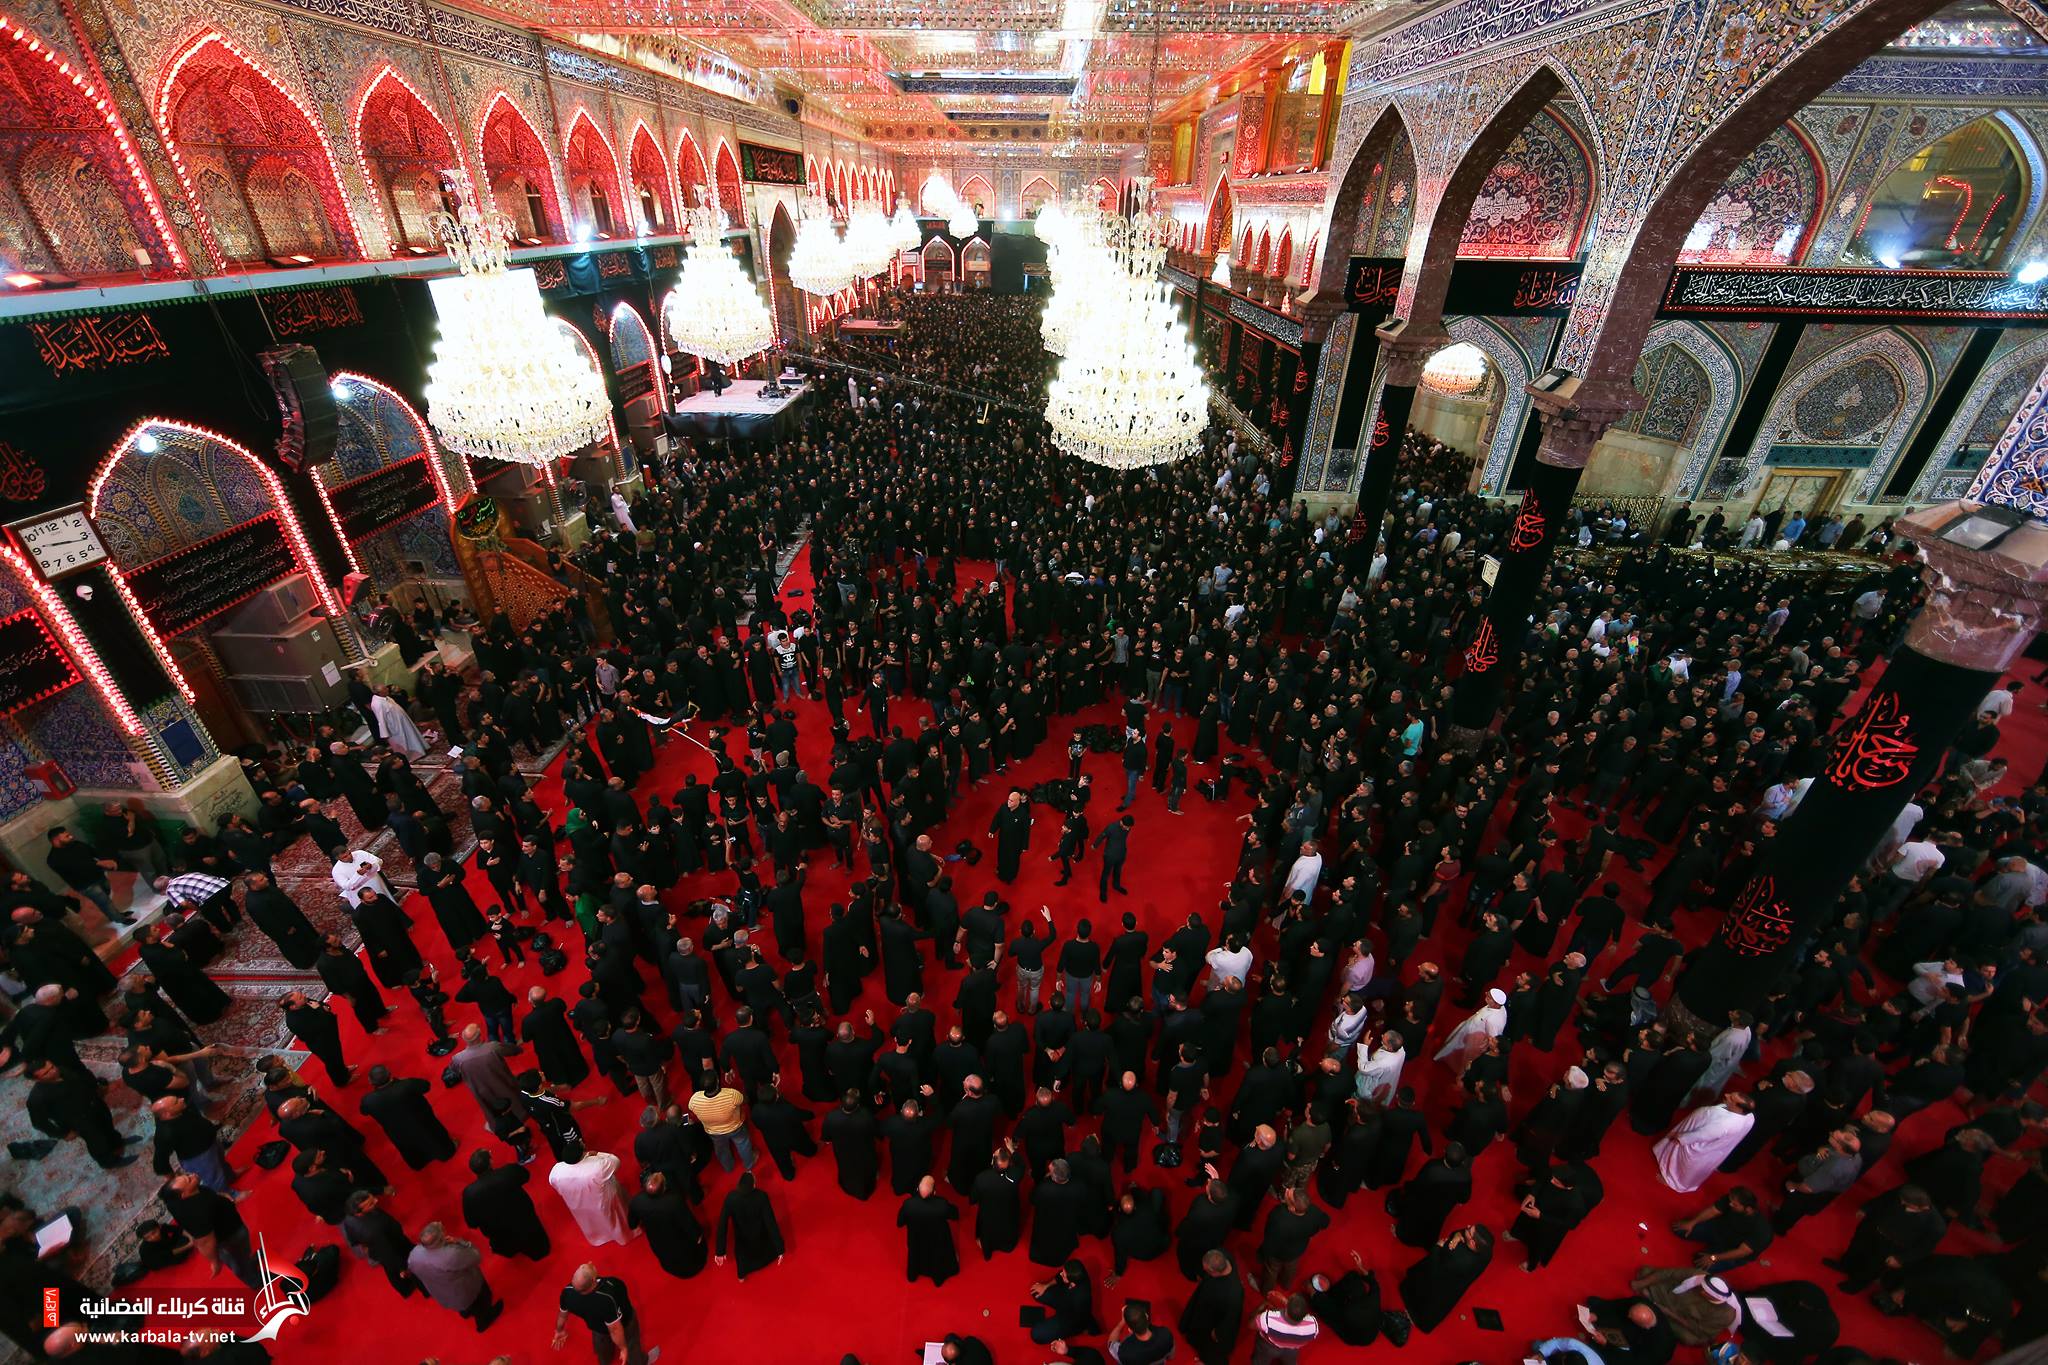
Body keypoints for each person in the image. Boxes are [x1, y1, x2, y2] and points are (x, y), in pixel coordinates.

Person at [406, 1222, 502, 1331]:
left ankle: (466, 1312)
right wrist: (459, 1241)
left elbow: (411, 1268)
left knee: (465, 1307)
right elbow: (476, 1256)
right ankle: (485, 1321)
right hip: (467, 1291)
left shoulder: (415, 1254)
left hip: (443, 1295)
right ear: (441, 1238)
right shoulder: (451, 1254)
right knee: (481, 1303)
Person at [553, 1262, 655, 1365]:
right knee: (631, 1345)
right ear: (593, 1280)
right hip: (625, 1324)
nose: (589, 1263)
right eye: (584, 1267)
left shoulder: (567, 1292)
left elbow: (562, 1315)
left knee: (602, 1352)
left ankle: (605, 1361)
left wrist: (559, 1330)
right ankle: (639, 1362)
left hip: (598, 1331)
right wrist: (623, 1348)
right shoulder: (611, 1291)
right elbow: (615, 1329)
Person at [1398, 1223, 1492, 1333]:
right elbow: (1460, 1233)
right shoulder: (1486, 1252)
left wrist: (1438, 1247)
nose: (1467, 1226)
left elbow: (1435, 1268)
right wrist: (1457, 1235)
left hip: (1438, 1282)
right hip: (1454, 1283)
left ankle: (1414, 1316)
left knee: (1426, 1297)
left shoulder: (1458, 1258)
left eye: (1469, 1229)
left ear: (1472, 1243)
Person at [1654, 1093, 1754, 1193]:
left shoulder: (1724, 1124)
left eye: (1731, 1098)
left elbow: (1701, 1135)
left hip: (1699, 1147)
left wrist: (1681, 1137)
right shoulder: (1750, 1117)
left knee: (1684, 1165)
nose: (1726, 1095)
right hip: (1716, 1150)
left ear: (1739, 1108)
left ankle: (1672, 1181)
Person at [463, 1149, 551, 1260]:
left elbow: (472, 1222)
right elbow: (526, 1176)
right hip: (523, 1220)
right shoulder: (508, 1172)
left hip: (499, 1233)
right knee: (538, 1248)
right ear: (490, 1162)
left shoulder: (469, 1193)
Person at [550, 1139, 634, 1246]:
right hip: (602, 1201)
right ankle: (621, 1236)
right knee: (612, 1219)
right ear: (582, 1154)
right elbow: (615, 1161)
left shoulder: (556, 1171)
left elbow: (556, 1187)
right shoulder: (597, 1166)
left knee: (590, 1221)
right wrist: (598, 1154)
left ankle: (599, 1237)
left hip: (577, 1204)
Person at [628, 1171, 707, 1278]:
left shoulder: (636, 1201)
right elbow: (688, 1222)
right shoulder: (674, 1202)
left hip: (657, 1241)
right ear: (664, 1188)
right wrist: (698, 1236)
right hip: (678, 1239)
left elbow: (632, 1224)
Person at [1179, 1249, 1246, 1364]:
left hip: (1211, 1318)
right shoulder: (1224, 1255)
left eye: (1206, 1271)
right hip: (1206, 1305)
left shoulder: (1233, 1294)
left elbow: (1231, 1318)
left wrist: (1219, 1332)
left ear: (1214, 1272)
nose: (1203, 1272)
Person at [714, 1171, 784, 1279]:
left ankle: (741, 1277)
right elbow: (771, 1223)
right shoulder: (761, 1196)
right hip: (760, 1235)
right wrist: (780, 1248)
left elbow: (722, 1225)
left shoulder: (731, 1198)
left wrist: (720, 1251)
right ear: (754, 1185)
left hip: (742, 1238)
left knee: (742, 1259)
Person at [898, 1174, 961, 1285]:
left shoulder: (908, 1204)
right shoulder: (942, 1204)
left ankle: (913, 1275)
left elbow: (900, 1223)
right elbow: (955, 1214)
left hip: (916, 1240)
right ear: (934, 1192)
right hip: (937, 1242)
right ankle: (937, 1279)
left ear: (917, 1189)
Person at [1251, 1295, 1319, 1364]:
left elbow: (1251, 1325)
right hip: (1292, 1349)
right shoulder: (1313, 1326)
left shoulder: (1268, 1319)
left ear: (1286, 1307)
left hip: (1269, 1347)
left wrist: (1261, 1307)